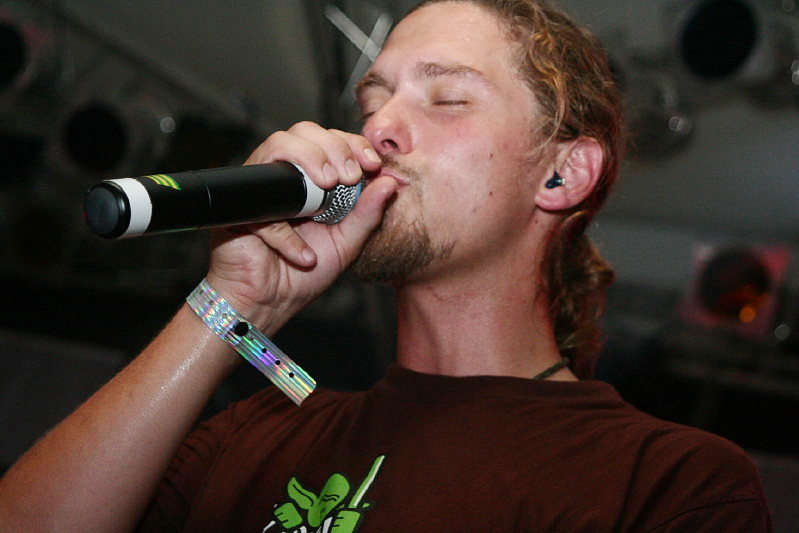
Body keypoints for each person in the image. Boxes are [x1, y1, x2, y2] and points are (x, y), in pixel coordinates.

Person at [0, 0, 772, 531]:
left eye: (445, 99)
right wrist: (231, 304)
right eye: (372, 102)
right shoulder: (256, 433)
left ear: (561, 175)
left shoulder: (663, 482)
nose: (379, 129)